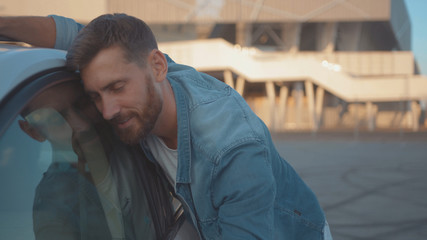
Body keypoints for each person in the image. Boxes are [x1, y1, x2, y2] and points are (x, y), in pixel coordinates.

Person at [1, 14, 332, 239]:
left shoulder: (232, 151)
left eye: (117, 88)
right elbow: (71, 33)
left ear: (158, 67)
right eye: (95, 96)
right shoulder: (152, 76)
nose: (106, 111)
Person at [19, 81, 159, 240]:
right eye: (56, 119)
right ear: (33, 132)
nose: (82, 126)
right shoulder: (52, 205)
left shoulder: (135, 137)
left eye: (83, 104)